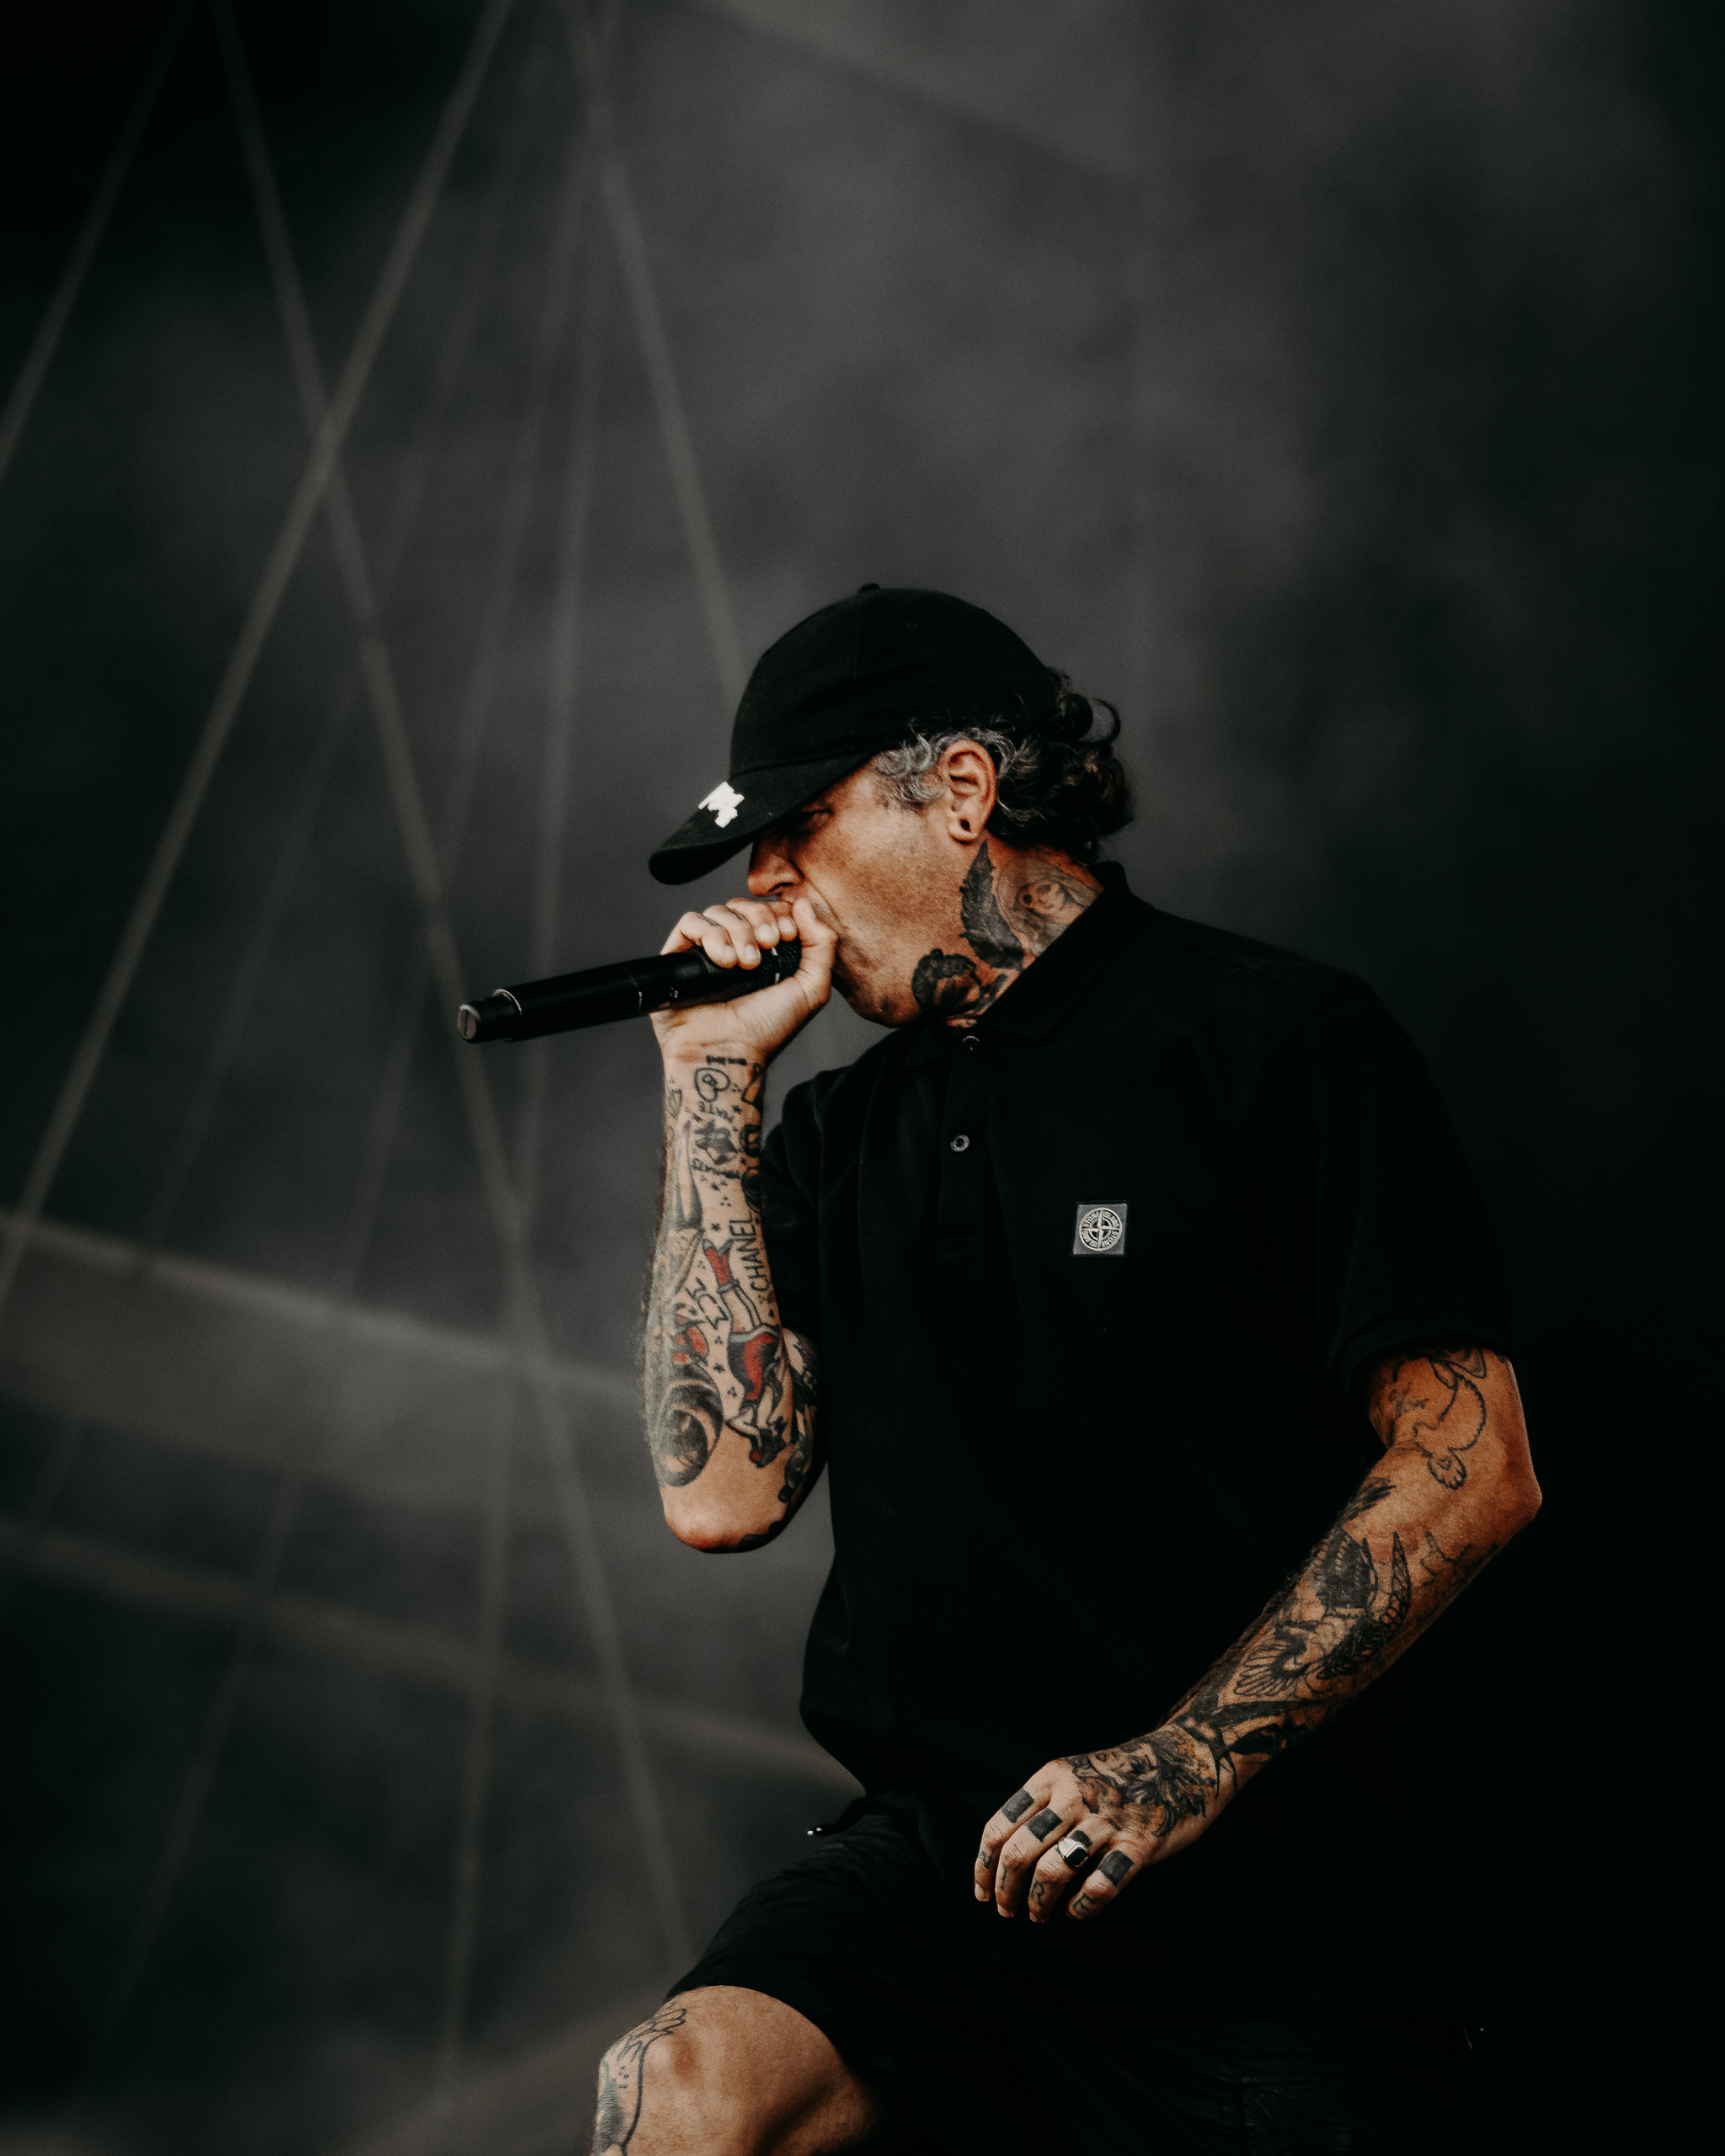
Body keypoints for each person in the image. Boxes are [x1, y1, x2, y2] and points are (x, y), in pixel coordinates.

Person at [591, 586, 1541, 2155]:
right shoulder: (834, 1134)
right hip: (939, 1874)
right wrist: (707, 1082)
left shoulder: (1269, 1038)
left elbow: (1476, 1464)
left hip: (1258, 1909)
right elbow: (721, 1496)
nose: (766, 883)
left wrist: (1178, 1764)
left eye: (797, 827)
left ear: (962, 791)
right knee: (679, 2091)